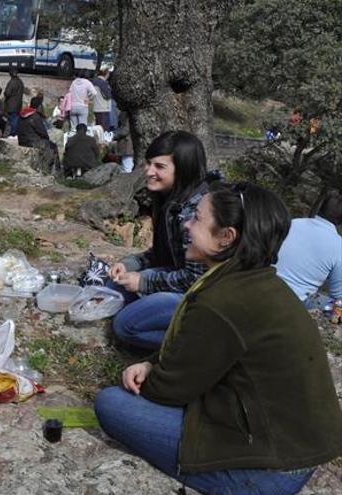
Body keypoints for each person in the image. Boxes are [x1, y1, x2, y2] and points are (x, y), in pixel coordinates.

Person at [94, 181, 342, 495]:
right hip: (298, 447)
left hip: (269, 469)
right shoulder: (259, 280)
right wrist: (152, 362)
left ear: (226, 237)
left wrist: (151, 375)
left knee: (111, 404)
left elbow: (169, 390)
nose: (186, 224)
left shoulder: (223, 300)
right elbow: (203, 352)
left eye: (197, 219)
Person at [107, 131, 212, 350]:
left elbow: (197, 279)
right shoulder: (171, 202)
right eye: (149, 164)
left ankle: (201, 345)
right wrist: (129, 264)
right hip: (178, 278)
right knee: (113, 288)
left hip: (203, 296)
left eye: (160, 167)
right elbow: (162, 253)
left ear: (183, 170)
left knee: (125, 325)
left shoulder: (194, 213)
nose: (149, 171)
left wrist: (144, 283)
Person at [275, 189, 342, 309]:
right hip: (296, 301)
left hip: (265, 283)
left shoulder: (293, 223)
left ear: (320, 207)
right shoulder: (339, 245)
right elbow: (338, 295)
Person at [2, 68, 24, 137]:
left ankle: (13, 133)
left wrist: (5, 93)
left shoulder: (12, 82)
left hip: (11, 104)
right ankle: (12, 133)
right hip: (18, 104)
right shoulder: (20, 82)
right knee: (15, 119)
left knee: (12, 119)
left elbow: (7, 93)